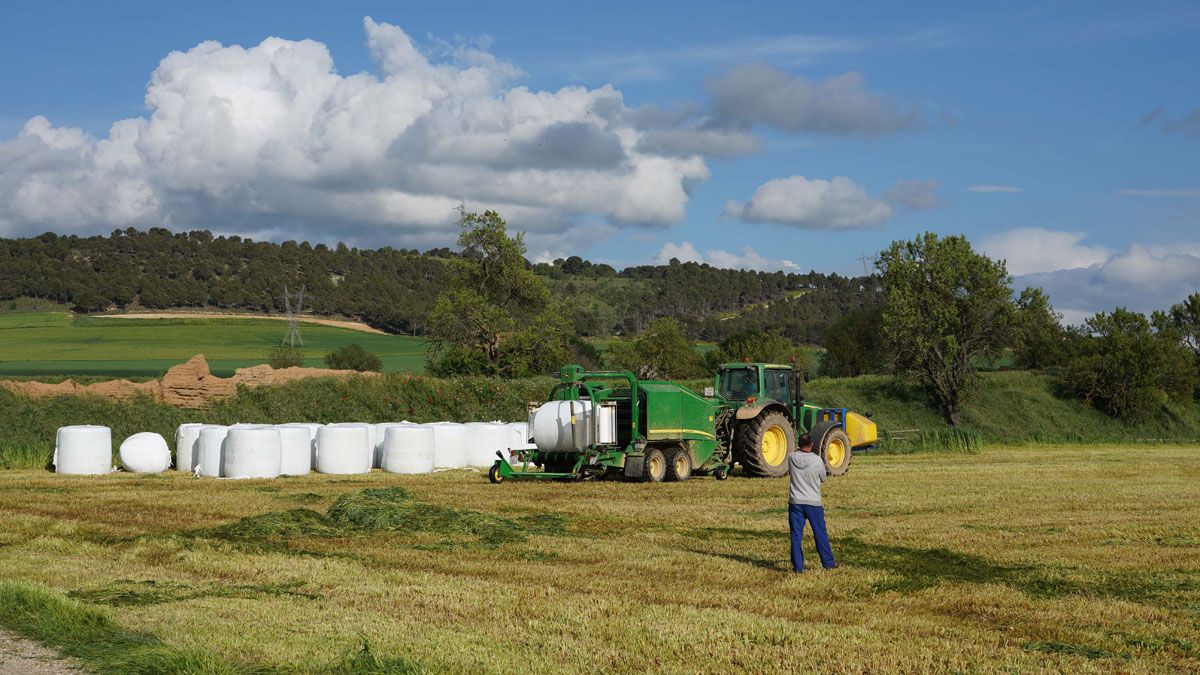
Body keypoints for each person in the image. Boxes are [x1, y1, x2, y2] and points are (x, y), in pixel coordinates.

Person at [788, 433, 837, 573]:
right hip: (813, 502)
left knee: (796, 535)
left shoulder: (791, 458)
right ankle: (828, 562)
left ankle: (798, 567)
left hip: (795, 501)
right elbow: (823, 478)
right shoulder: (817, 460)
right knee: (820, 533)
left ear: (799, 443)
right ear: (812, 444)